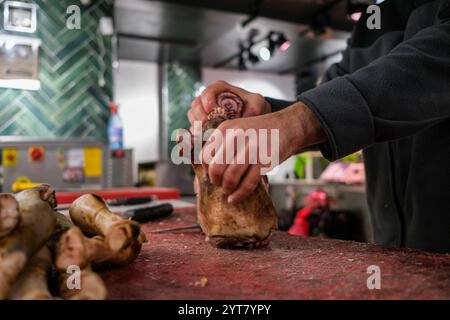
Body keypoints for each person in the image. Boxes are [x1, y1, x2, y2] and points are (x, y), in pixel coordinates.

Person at [187, 0, 450, 253]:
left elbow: (435, 63)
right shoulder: (372, 23)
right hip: (396, 258)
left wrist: (297, 122)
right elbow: (332, 103)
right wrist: (265, 111)